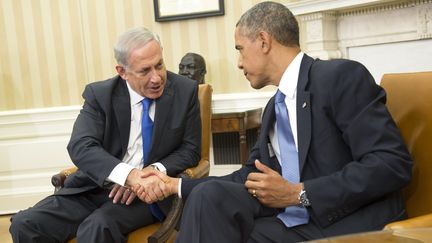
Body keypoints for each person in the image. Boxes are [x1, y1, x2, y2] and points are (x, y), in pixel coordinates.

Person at [133, 2, 413, 242]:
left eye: (240, 49)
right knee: (209, 196)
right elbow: (249, 176)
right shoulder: (273, 107)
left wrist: (298, 194)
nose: (239, 63)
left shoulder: (339, 77)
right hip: (296, 221)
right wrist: (174, 185)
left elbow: (391, 164)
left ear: (264, 41)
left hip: (347, 220)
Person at [9, 26, 201, 243]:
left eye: (159, 65)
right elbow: (81, 145)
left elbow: (190, 150)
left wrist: (148, 175)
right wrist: (128, 176)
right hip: (96, 187)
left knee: (97, 227)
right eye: (144, 71)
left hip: (146, 197)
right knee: (25, 224)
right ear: (122, 72)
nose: (156, 78)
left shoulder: (185, 91)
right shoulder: (100, 95)